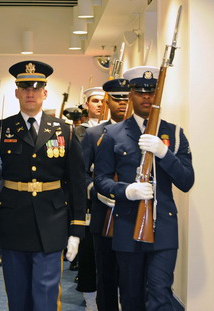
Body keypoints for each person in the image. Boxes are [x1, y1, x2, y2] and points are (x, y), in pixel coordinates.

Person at [0, 60, 87, 310]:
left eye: (36, 89)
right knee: (17, 296)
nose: (30, 94)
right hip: (13, 221)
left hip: (52, 221)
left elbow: (76, 183)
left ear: (45, 93)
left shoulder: (64, 131)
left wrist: (76, 229)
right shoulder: (0, 130)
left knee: (46, 296)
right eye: (25, 88)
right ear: (16, 92)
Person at [94, 66, 195, 311]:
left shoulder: (175, 134)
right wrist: (126, 191)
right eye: (140, 91)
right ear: (131, 94)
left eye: (151, 91)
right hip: (128, 225)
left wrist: (164, 153)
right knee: (131, 296)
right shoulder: (113, 134)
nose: (146, 97)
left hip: (164, 229)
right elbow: (101, 179)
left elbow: (186, 180)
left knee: (160, 292)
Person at [80, 78, 130, 311]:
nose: (123, 103)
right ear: (108, 101)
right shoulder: (93, 134)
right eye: (118, 99)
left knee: (135, 277)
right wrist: (95, 192)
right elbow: (80, 173)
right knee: (106, 275)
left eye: (127, 98)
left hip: (135, 213)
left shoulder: (146, 133)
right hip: (104, 212)